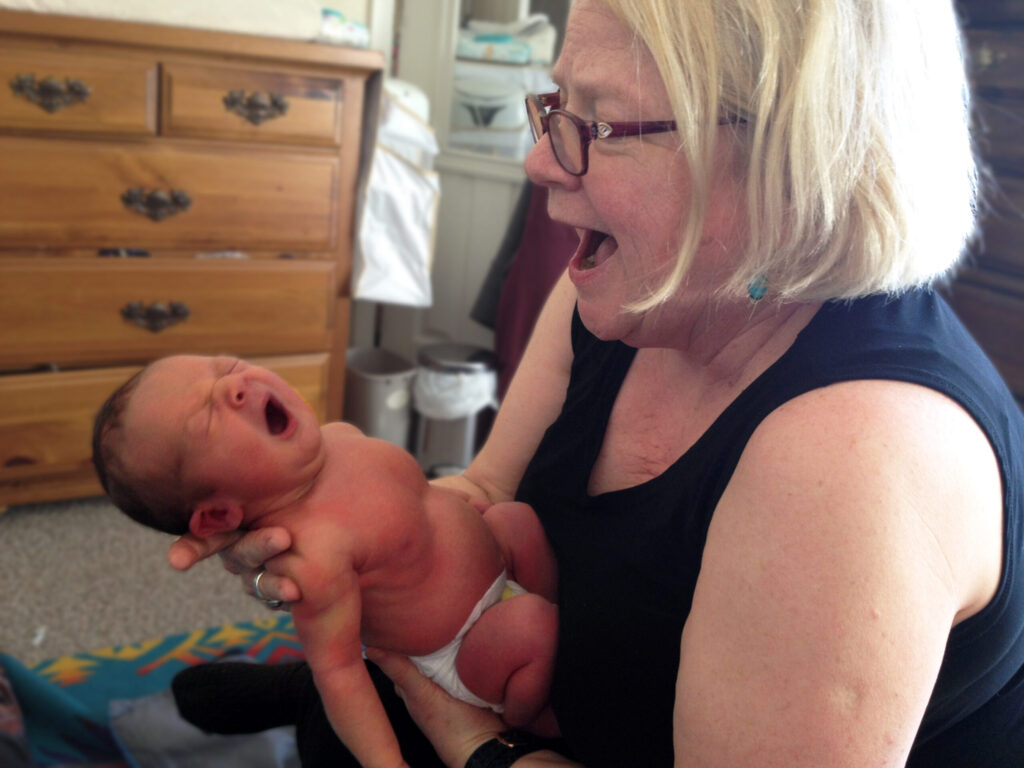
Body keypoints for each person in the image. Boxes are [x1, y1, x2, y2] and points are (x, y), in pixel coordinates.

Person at [169, 0, 1024, 765]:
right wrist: (310, 522)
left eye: (599, 123)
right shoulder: (635, 289)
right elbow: (481, 496)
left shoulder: (858, 462)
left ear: (788, 162)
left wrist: (469, 740)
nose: (540, 161)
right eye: (556, 107)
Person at [91, 354, 558, 768]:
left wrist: (455, 516)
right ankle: (527, 716)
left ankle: (553, 632)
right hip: (463, 644)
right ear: (218, 514)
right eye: (207, 417)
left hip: (493, 575)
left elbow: (406, 507)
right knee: (533, 625)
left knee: (517, 520)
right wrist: (384, 761)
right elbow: (338, 673)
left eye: (225, 365)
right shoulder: (313, 555)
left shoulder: (341, 438)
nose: (235, 384)